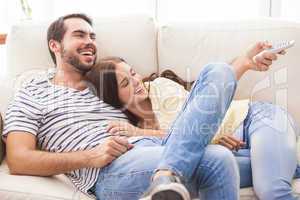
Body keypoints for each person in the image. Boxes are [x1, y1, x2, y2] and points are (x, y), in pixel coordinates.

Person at [0, 13, 286, 200]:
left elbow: (176, 120)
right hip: (110, 169)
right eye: (79, 35)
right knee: (216, 159)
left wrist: (200, 133)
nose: (89, 42)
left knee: (218, 72)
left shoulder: (105, 86)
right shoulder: (32, 93)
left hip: (157, 151)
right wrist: (90, 157)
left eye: (92, 37)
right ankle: (167, 176)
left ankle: (165, 177)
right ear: (55, 45)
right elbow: (19, 159)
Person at [86, 54, 299, 200]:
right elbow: (187, 148)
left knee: (272, 191)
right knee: (217, 164)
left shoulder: (160, 87)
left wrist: (139, 132)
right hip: (232, 149)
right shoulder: (129, 124)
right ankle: (287, 163)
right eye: (125, 83)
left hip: (255, 119)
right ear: (114, 97)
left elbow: (192, 130)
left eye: (132, 73)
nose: (135, 81)